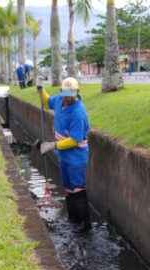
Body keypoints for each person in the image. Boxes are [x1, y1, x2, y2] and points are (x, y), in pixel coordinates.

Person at [37, 77, 91, 230]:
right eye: (65, 94)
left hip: (76, 157)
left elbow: (75, 139)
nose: (67, 98)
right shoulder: (59, 101)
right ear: (61, 92)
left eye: (71, 95)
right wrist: (42, 90)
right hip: (63, 155)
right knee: (68, 188)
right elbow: (47, 102)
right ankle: (73, 221)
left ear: (76, 93)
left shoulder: (78, 113)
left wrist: (53, 145)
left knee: (77, 189)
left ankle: (85, 227)